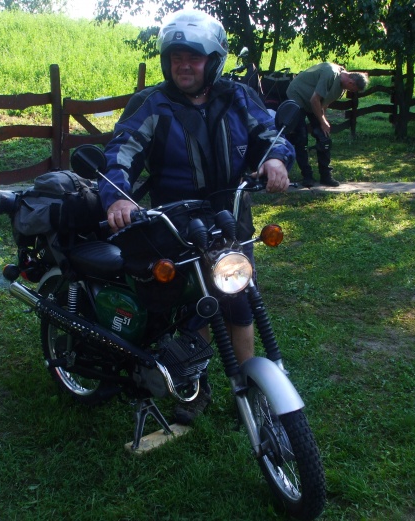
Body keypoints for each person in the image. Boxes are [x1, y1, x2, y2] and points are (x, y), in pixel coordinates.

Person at [98, 9, 294, 424]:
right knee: (194, 307)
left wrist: (276, 158)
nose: (183, 65)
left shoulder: (237, 97)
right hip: (176, 221)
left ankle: (248, 389)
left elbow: (268, 132)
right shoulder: (153, 104)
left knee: (239, 298)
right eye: (176, 58)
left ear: (214, 60)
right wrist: (118, 198)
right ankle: (194, 387)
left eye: (194, 57)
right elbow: (122, 151)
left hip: (231, 215)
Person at [285, 63, 369, 187]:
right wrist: (323, 121)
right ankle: (307, 176)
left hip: (313, 103)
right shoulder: (330, 74)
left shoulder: (341, 88)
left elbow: (324, 103)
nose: (351, 91)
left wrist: (323, 121)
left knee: (324, 138)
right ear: (351, 82)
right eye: (353, 90)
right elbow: (315, 99)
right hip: (298, 95)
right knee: (301, 137)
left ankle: (326, 176)